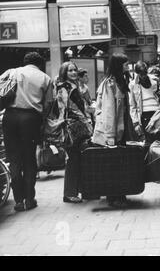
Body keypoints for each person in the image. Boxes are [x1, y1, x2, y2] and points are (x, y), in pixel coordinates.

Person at [1, 52, 53, 211]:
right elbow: (49, 103)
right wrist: (42, 121)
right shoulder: (45, 78)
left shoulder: (11, 72)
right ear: (40, 63)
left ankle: (18, 201)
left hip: (9, 117)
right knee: (29, 158)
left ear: (25, 62)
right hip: (31, 119)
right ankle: (30, 199)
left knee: (14, 158)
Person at [92, 53, 137, 208]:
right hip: (113, 131)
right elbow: (109, 111)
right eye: (125, 63)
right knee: (113, 164)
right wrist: (110, 136)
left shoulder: (120, 81)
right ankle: (113, 197)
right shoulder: (109, 84)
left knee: (119, 163)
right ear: (118, 65)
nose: (127, 65)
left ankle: (119, 194)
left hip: (121, 129)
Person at [55, 62, 93, 204]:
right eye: (69, 70)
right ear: (64, 72)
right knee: (73, 160)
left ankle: (79, 191)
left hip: (77, 126)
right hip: (73, 127)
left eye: (74, 70)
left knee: (78, 159)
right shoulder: (64, 87)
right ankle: (70, 193)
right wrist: (86, 122)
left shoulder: (72, 86)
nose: (73, 72)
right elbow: (66, 109)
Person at [129, 61, 160, 143]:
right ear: (137, 73)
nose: (143, 76)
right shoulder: (133, 85)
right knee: (149, 139)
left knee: (159, 139)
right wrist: (135, 122)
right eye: (141, 74)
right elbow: (132, 105)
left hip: (157, 112)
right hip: (144, 114)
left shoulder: (155, 81)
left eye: (145, 73)